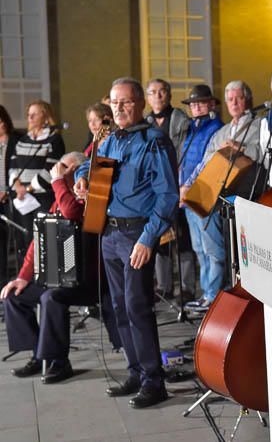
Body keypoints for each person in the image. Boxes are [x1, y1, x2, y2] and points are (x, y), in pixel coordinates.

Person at [74, 77, 179, 409]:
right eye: (114, 103)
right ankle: (135, 372)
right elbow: (89, 165)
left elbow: (167, 196)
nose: (118, 108)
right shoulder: (109, 139)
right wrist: (81, 178)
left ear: (140, 104)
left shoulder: (155, 142)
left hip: (137, 234)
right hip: (109, 233)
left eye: (126, 102)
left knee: (137, 307)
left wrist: (149, 239)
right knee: (117, 306)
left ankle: (154, 379)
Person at [1, 152, 119, 384]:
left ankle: (58, 362)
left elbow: (72, 213)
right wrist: (23, 277)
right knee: (14, 297)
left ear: (76, 168)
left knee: (51, 298)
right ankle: (39, 354)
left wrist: (58, 181)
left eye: (62, 165)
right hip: (57, 275)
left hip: (86, 280)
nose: (57, 168)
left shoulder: (85, 194)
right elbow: (39, 240)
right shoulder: (59, 196)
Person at [145, 79, 196, 302]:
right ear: (147, 97)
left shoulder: (181, 120)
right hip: (154, 189)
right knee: (159, 238)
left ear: (169, 95)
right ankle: (163, 286)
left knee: (183, 240)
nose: (158, 96)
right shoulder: (145, 123)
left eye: (162, 91)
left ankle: (187, 287)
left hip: (178, 183)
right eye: (153, 92)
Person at [176, 84, 224, 313]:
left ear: (211, 104)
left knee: (212, 249)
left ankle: (214, 296)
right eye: (193, 104)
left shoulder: (216, 129)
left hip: (205, 195)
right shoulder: (193, 129)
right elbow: (185, 162)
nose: (195, 107)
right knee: (198, 248)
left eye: (200, 103)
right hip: (188, 196)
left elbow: (209, 164)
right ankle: (206, 294)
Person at [8, 100, 65, 261]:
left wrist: (27, 189)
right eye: (28, 114)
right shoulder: (23, 140)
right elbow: (13, 166)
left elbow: (49, 171)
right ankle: (26, 279)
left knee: (42, 240)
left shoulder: (54, 140)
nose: (30, 117)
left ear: (45, 116)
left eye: (35, 114)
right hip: (22, 198)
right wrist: (18, 186)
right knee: (25, 239)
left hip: (42, 198)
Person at [0, 105, 19, 286]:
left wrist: (7, 190)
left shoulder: (17, 140)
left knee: (15, 240)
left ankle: (18, 279)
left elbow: (18, 169)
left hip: (13, 196)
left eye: (1, 120)